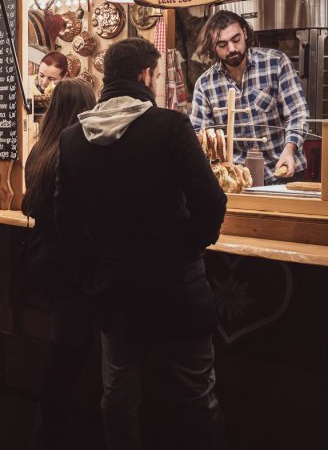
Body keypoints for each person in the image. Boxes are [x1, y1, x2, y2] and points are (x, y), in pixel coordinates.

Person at [54, 38, 228, 449]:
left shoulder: (73, 138)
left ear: (107, 78)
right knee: (196, 396)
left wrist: (93, 272)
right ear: (145, 75)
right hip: (176, 287)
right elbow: (210, 202)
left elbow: (67, 223)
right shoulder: (170, 127)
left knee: (118, 395)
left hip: (113, 287)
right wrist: (185, 251)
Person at [21, 79, 96, 449]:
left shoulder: (40, 148)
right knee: (68, 350)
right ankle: (50, 425)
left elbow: (31, 204)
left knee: (65, 343)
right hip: (68, 263)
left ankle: (53, 419)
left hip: (41, 255)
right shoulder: (77, 149)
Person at [191, 10, 309, 184]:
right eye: (222, 44)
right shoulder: (205, 84)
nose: (231, 49)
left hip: (285, 172)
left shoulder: (276, 63)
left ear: (245, 33)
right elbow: (199, 135)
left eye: (236, 39)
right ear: (213, 47)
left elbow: (297, 114)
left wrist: (290, 149)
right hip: (238, 182)